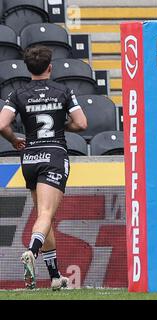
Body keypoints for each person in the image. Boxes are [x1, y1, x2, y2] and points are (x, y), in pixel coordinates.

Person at [0, 45, 88, 290]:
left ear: (27, 68)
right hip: (54, 155)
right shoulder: (63, 91)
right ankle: (31, 251)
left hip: (29, 158)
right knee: (46, 215)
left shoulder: (17, 94)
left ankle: (54, 276)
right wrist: (63, 125)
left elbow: (1, 124)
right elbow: (81, 123)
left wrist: (14, 140)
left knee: (43, 215)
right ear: (50, 67)